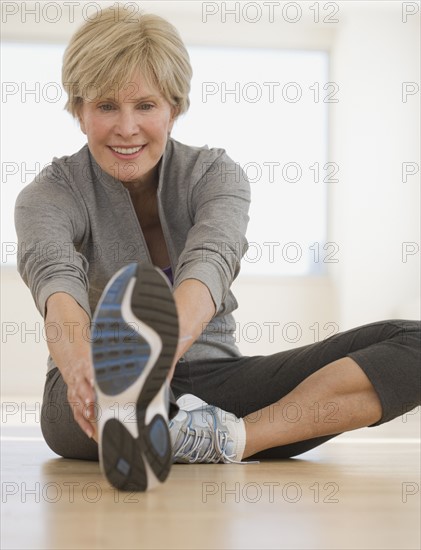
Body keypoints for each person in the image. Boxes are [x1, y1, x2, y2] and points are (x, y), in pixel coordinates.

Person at [15, 5, 420, 492]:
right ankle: (149, 419)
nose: (126, 127)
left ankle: (229, 439)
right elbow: (56, 282)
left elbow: (211, 262)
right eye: (105, 106)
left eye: (145, 106)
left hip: (213, 380)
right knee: (98, 401)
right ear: (79, 111)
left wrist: (155, 361)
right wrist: (82, 365)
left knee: (413, 341)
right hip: (93, 384)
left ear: (174, 108)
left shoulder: (214, 174)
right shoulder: (48, 195)